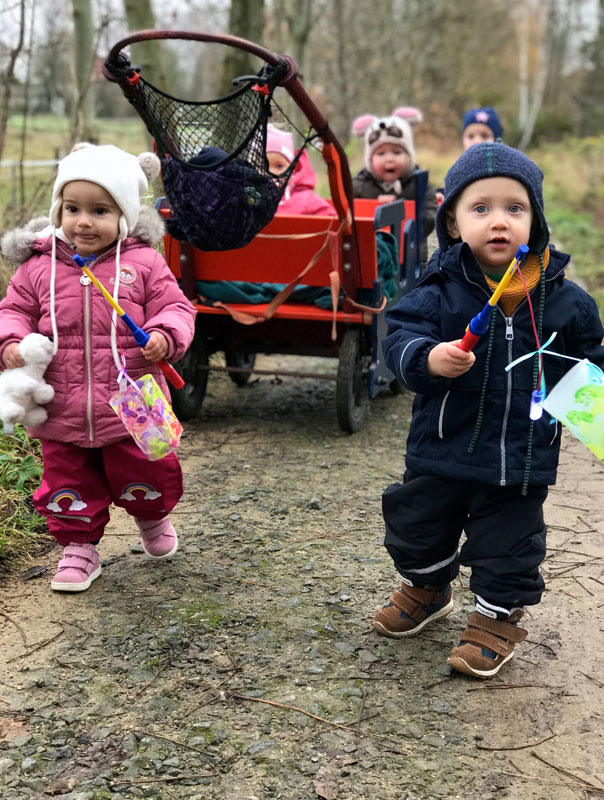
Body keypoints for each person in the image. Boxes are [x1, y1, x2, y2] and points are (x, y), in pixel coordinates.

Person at [372, 142, 604, 679]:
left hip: (519, 460)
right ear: (452, 223)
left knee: (510, 546)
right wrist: (429, 357)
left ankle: (497, 616)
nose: (498, 221)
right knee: (416, 525)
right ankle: (427, 585)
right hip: (441, 447)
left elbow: (591, 363)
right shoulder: (437, 290)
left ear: (536, 221)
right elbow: (399, 337)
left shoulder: (565, 302)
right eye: (481, 209)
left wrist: (587, 399)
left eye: (514, 209)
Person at [0, 143, 196, 593]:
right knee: (67, 479)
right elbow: (13, 311)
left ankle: (151, 517)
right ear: (58, 210)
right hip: (61, 403)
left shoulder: (143, 263)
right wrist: (11, 343)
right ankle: (78, 548)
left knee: (149, 470)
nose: (83, 221)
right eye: (72, 208)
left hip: (134, 400)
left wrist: (166, 335)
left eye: (100, 210)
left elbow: (176, 307)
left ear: (124, 216)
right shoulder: (37, 266)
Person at [351, 107, 438, 236]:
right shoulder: (358, 187)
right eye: (381, 153)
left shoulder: (420, 185)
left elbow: (431, 216)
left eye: (397, 152)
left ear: (409, 156)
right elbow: (346, 215)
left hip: (409, 251)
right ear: (370, 160)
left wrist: (398, 208)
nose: (389, 159)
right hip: (370, 251)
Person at [265, 123, 335, 216]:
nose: (271, 172)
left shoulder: (306, 199)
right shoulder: (249, 198)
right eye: (263, 166)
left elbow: (331, 221)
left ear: (292, 170)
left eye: (279, 166)